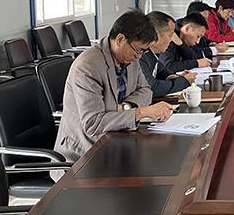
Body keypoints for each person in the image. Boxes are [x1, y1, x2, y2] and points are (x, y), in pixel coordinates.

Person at [54, 10, 174, 163]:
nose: (139, 56)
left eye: (143, 52)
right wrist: (140, 112)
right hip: (84, 154)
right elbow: (93, 124)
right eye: (138, 50)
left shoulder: (130, 57)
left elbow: (145, 90)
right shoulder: (88, 66)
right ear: (120, 39)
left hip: (118, 141)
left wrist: (125, 107)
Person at [140, 11, 196, 97]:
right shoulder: (140, 55)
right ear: (156, 35)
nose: (171, 40)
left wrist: (177, 77)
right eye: (170, 35)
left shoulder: (153, 53)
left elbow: (162, 71)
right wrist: (184, 81)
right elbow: (152, 87)